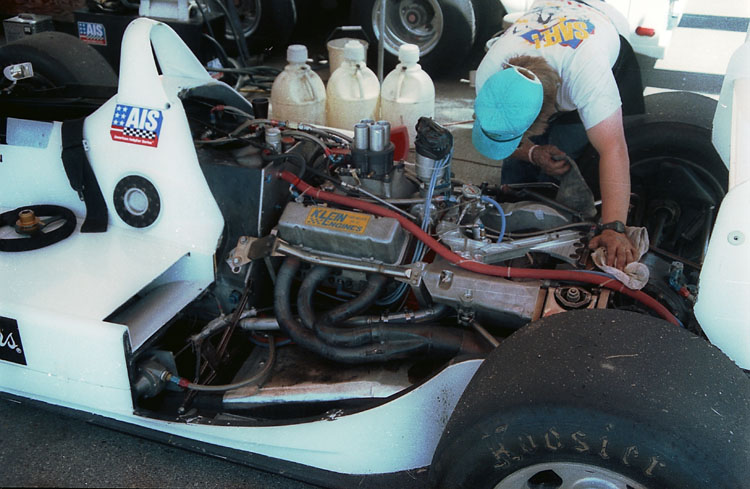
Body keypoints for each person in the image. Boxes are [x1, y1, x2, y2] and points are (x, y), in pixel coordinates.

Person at [472, 0, 645, 270]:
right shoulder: (490, 71)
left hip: (600, 29)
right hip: (554, 21)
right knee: (516, 174)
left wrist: (614, 228)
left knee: (570, 147)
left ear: (547, 113)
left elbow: (613, 149)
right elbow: (491, 132)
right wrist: (532, 152)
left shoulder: (588, 77)